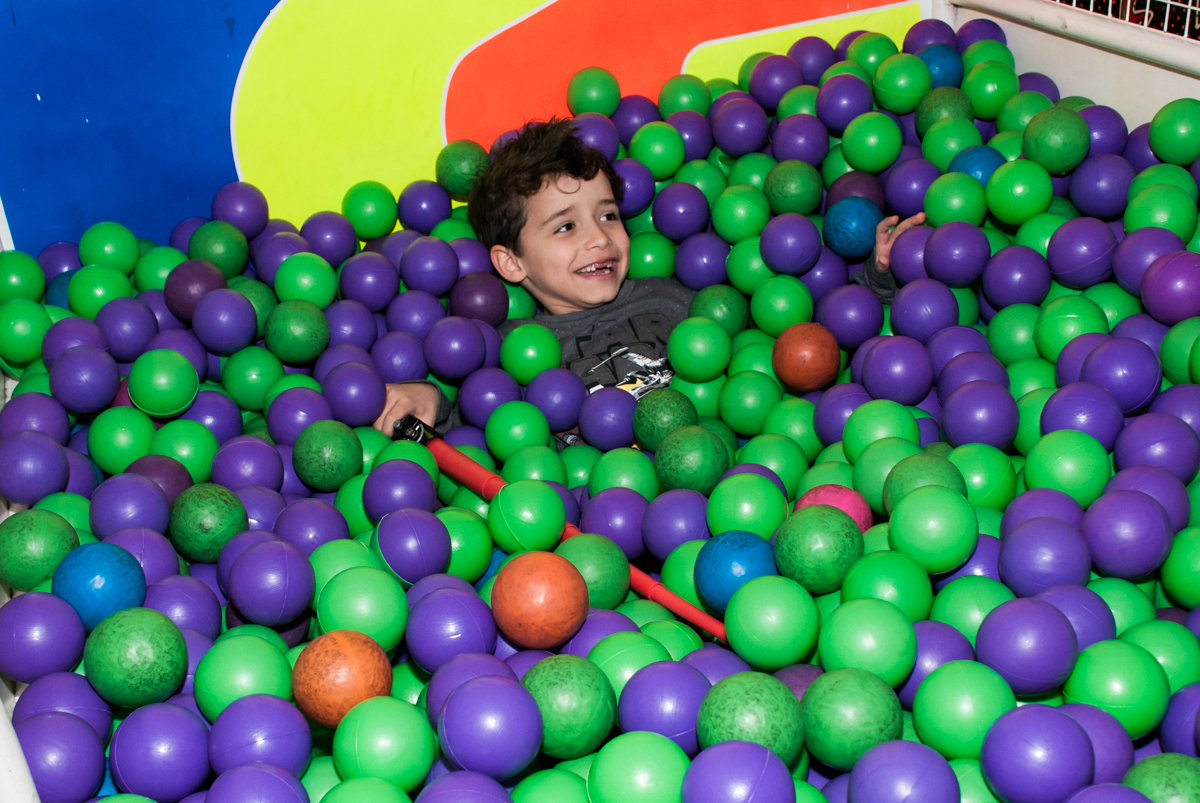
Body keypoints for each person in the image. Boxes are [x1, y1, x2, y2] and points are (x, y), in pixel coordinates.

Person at [374, 117, 923, 434]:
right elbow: (477, 412)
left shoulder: (668, 295)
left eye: (608, 215)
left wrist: (876, 276)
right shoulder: (513, 344)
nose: (599, 238)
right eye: (565, 228)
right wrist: (427, 399)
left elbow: (795, 341)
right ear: (511, 263)